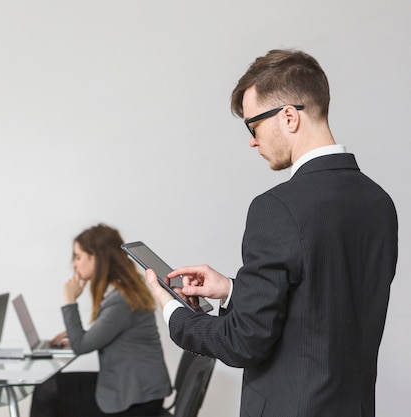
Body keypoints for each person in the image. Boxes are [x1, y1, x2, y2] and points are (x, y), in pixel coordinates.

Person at [145, 49, 398, 417]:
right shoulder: (379, 202)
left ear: (290, 117)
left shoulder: (277, 207)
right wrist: (233, 289)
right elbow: (322, 301)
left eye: (253, 126)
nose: (251, 140)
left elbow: (243, 342)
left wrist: (173, 312)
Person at [30, 224, 171, 417]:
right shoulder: (124, 292)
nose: (74, 264)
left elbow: (81, 346)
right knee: (48, 387)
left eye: (78, 257)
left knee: (48, 391)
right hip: (132, 389)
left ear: (95, 257)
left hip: (135, 400)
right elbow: (99, 337)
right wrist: (80, 336)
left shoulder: (121, 299)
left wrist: (69, 301)